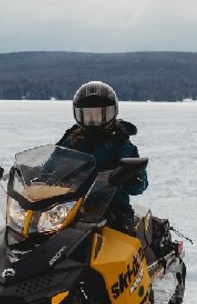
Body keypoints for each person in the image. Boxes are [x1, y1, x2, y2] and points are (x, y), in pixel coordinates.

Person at [58, 81, 149, 234]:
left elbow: (140, 183)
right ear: (78, 114)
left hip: (112, 207)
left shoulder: (119, 141)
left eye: (98, 114)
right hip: (72, 206)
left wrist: (130, 177)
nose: (93, 120)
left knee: (120, 244)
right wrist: (36, 174)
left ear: (110, 113)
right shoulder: (73, 137)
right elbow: (54, 159)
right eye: (88, 115)